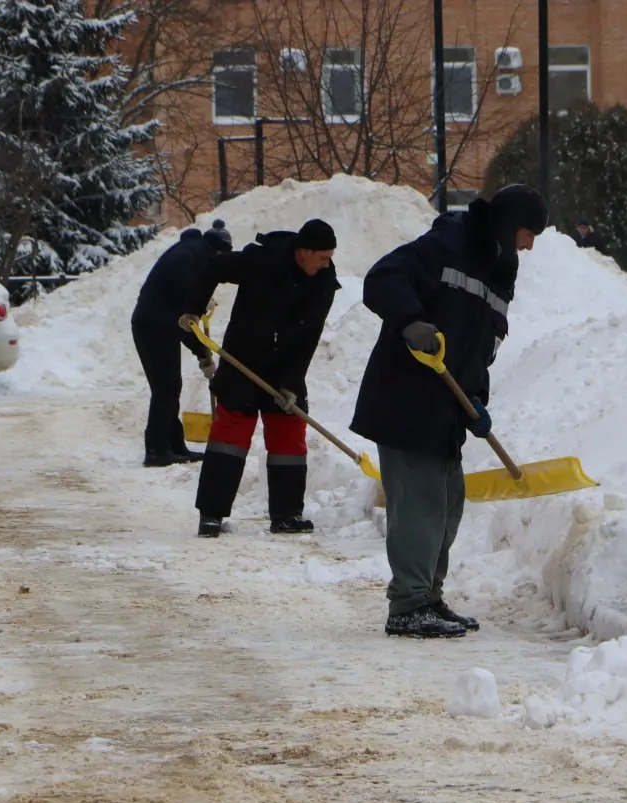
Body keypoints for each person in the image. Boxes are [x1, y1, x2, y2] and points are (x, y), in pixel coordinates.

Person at [350, 184, 548, 639]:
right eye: (526, 232)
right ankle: (407, 605)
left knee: (447, 503)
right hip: (406, 394)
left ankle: (428, 596)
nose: (530, 244)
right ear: (506, 222)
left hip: (447, 404)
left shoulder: (501, 270)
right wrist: (410, 320)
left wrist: (477, 398)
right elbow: (382, 279)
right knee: (419, 503)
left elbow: (484, 342)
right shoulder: (450, 242)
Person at [181, 219, 341, 538]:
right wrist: (193, 309)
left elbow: (310, 335)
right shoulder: (262, 261)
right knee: (230, 437)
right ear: (304, 252)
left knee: (289, 436)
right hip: (242, 359)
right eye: (322, 257)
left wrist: (292, 382)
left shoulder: (324, 282)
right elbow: (215, 268)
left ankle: (287, 515)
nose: (327, 264)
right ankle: (211, 515)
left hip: (285, 365)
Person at [131, 219, 232, 468]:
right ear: (217, 251)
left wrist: (202, 355)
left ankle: (174, 446)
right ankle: (156, 450)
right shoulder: (190, 252)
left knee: (170, 387)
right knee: (165, 388)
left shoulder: (194, 253)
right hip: (153, 326)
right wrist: (197, 294)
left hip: (159, 325)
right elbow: (180, 277)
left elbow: (185, 324)